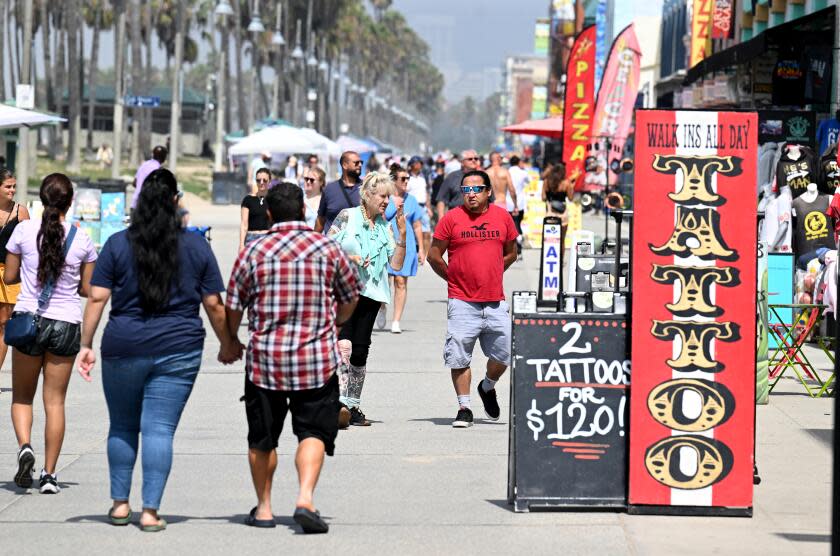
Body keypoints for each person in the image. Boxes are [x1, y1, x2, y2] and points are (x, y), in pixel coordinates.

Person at [77, 168, 241, 531]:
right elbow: (214, 304)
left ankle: (120, 505)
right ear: (175, 202)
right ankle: (150, 512)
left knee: (121, 426)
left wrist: (85, 345)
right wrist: (228, 342)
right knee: (159, 430)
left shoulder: (118, 243)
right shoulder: (197, 245)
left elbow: (96, 298)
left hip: (123, 346)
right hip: (178, 349)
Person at [225, 182, 360, 534]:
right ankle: (304, 499)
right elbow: (350, 296)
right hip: (314, 361)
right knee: (313, 432)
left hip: (264, 363)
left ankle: (266, 509)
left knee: (262, 438)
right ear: (303, 210)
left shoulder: (254, 251)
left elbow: (233, 303)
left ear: (268, 213)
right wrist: (338, 320)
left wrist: (230, 340)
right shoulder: (327, 248)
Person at [7, 173, 98, 492]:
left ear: (41, 199)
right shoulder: (82, 239)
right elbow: (87, 289)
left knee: (21, 396)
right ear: (70, 202)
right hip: (66, 325)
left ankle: (25, 447)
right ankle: (49, 474)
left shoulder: (22, 230)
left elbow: (10, 276)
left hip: (29, 321)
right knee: (55, 402)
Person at [427, 170, 518, 428]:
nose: (472, 195)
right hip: (462, 301)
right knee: (459, 356)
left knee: (506, 353)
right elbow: (434, 255)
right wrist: (453, 278)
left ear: (488, 191)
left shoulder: (503, 217)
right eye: (466, 190)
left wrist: (494, 271)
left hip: (495, 301)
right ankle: (464, 407)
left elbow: (512, 252)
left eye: (477, 189)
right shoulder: (451, 219)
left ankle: (487, 386)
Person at [328, 171, 406, 427]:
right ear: (368, 195)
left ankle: (353, 405)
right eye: (383, 196)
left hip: (372, 294)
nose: (387, 202)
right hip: (345, 291)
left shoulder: (385, 226)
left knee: (361, 350)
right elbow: (325, 249)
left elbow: (395, 264)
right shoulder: (347, 216)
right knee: (344, 347)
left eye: (389, 197)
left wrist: (402, 236)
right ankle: (337, 402)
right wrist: (350, 259)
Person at [381, 165, 425, 334]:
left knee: (401, 281)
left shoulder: (412, 200)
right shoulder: (385, 199)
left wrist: (421, 249)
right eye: (403, 179)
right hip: (386, 244)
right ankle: (382, 306)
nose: (406, 181)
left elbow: (418, 225)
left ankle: (396, 321)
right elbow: (380, 218)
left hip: (406, 245)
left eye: (408, 178)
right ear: (394, 181)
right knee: (384, 280)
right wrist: (392, 205)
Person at [0, 169, 29, 374]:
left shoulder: (21, 212)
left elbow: (28, 245)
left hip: (9, 272)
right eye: (7, 186)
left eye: (13, 186)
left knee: (3, 323)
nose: (12, 190)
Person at [314, 151, 363, 233]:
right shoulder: (329, 189)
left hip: (360, 243)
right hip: (334, 243)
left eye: (361, 162)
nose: (360, 165)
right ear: (344, 165)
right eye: (356, 163)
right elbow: (320, 220)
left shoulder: (367, 188)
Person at [434, 149, 482, 222]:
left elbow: (491, 201)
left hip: (479, 220)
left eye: (476, 158)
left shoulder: (483, 177)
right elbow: (441, 200)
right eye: (470, 159)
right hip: (457, 221)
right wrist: (441, 221)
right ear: (462, 162)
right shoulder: (452, 177)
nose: (474, 160)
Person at [406, 156, 432, 258]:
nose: (419, 165)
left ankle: (426, 256)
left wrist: (428, 207)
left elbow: (426, 193)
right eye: (417, 163)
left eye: (420, 163)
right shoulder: (407, 178)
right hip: (412, 206)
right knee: (412, 232)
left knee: (426, 231)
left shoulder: (422, 178)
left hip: (423, 206)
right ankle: (413, 254)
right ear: (411, 165)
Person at [240, 168, 272, 247]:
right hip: (251, 238)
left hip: (268, 238)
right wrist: (241, 245)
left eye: (264, 180)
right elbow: (244, 225)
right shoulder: (248, 200)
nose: (261, 183)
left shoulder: (274, 199)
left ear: (269, 181)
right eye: (258, 180)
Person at [132, 146, 168, 210]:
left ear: (153, 155)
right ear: (164, 157)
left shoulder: (144, 165)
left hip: (135, 203)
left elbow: (134, 183)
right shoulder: (158, 169)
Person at [507, 156, 529, 257]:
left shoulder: (507, 172)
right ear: (519, 162)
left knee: (508, 227)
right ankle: (518, 248)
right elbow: (529, 181)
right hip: (519, 203)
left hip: (507, 203)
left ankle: (511, 249)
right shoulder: (522, 173)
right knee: (517, 224)